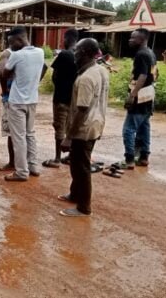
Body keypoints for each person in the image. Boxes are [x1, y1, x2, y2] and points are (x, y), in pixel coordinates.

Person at [59, 38, 109, 217]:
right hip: (96, 123)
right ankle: (75, 194)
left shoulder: (87, 78)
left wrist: (69, 136)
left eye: (77, 50)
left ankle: (83, 207)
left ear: (86, 53)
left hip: (84, 128)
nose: (74, 53)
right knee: (77, 162)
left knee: (81, 167)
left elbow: (82, 109)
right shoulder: (100, 70)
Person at [2, 27, 47, 182]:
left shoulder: (17, 55)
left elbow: (4, 73)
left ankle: (21, 171)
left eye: (11, 42)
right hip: (32, 99)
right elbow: (43, 69)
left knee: (18, 137)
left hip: (16, 101)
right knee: (30, 134)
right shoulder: (40, 52)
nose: (10, 45)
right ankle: (33, 166)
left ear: (19, 40)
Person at [43, 28, 79, 168]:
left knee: (59, 126)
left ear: (68, 38)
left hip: (61, 97)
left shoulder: (65, 54)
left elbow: (55, 75)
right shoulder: (81, 54)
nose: (63, 41)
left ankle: (57, 158)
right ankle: (71, 155)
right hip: (76, 99)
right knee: (72, 127)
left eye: (64, 38)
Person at [121, 28, 156, 168]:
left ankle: (129, 160)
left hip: (140, 96)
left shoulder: (141, 54)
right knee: (144, 127)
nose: (130, 40)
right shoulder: (151, 53)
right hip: (149, 95)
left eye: (133, 38)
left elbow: (143, 76)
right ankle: (144, 157)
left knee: (129, 129)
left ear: (141, 40)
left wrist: (132, 95)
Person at [0, 36, 22, 172]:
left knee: (11, 132)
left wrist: (5, 90)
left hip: (11, 98)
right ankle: (24, 163)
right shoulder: (31, 53)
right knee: (23, 132)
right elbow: (43, 69)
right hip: (26, 98)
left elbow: (1, 72)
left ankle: (13, 163)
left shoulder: (7, 54)